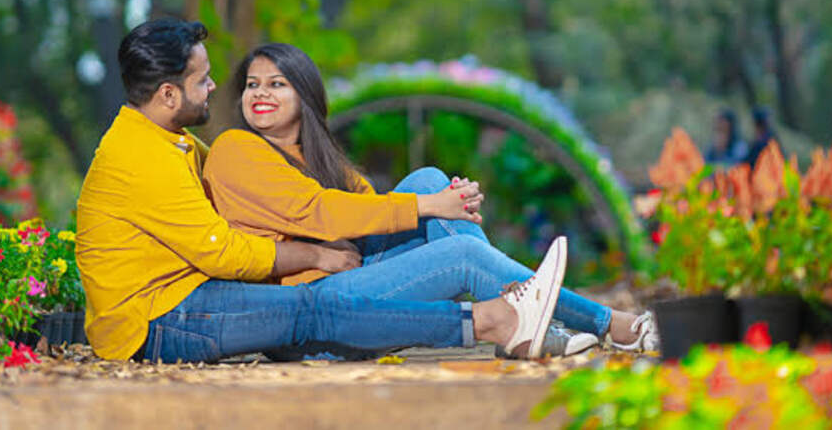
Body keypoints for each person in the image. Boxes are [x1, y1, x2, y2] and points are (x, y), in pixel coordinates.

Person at [75, 19, 574, 364]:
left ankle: (533, 318)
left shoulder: (174, 141)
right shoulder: (141, 156)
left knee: (427, 183)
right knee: (314, 307)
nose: (214, 88)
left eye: (278, 84)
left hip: (190, 296)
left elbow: (348, 203)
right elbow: (223, 251)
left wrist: (428, 202)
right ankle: (495, 320)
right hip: (157, 319)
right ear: (168, 94)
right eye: (203, 80)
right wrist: (315, 253)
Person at [203, 42, 659, 358]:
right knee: (461, 251)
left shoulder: (314, 153)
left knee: (427, 180)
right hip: (306, 318)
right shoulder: (235, 149)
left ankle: (523, 323)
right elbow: (320, 213)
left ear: (304, 94)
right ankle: (609, 324)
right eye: (252, 84)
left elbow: (366, 210)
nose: (260, 93)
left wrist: (444, 199)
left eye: (276, 83)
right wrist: (431, 208)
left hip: (345, 282)